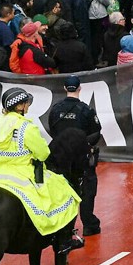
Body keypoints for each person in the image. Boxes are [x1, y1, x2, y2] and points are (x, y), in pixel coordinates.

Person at [0, 88, 84, 253]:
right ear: (19, 107)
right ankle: (64, 240)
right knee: (65, 193)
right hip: (24, 174)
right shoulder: (26, 127)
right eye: (26, 103)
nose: (28, 106)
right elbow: (43, 154)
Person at [47, 75, 103, 236]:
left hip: (60, 158)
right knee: (87, 189)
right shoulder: (85, 110)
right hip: (81, 157)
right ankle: (89, 224)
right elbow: (96, 133)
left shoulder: (56, 109)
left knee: (62, 190)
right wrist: (83, 144)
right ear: (79, 88)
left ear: (65, 88)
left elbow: (52, 130)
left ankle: (65, 226)